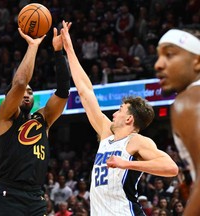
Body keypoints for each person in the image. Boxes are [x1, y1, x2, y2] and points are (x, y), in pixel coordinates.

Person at [60, 20, 178, 216]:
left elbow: (171, 168)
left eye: (120, 109)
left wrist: (128, 164)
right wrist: (69, 49)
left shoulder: (137, 141)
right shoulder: (107, 133)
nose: (114, 113)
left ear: (130, 119)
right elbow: (85, 92)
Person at [0, 24, 71, 216]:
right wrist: (33, 45)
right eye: (23, 92)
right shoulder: (6, 116)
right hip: (8, 194)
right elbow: (19, 83)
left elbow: (63, 91)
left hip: (36, 196)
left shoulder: (43, 118)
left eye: (31, 91)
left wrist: (58, 52)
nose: (27, 94)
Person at [154, 28, 200, 216]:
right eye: (158, 56)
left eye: (170, 54)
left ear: (197, 61)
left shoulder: (188, 100)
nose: (158, 64)